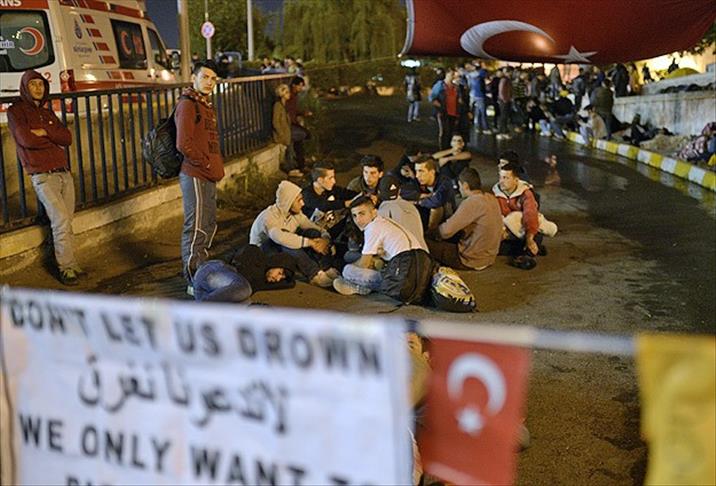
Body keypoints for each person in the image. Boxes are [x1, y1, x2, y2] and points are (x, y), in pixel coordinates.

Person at [7, 70, 81, 285]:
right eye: (33, 84)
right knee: (60, 220)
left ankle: (72, 263)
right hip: (42, 175)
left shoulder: (48, 113)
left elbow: (66, 138)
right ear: (25, 87)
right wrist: (51, 137)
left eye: (41, 84)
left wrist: (46, 132)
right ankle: (66, 268)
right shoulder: (16, 111)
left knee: (67, 220)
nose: (38, 88)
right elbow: (26, 139)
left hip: (63, 171)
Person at [176, 60, 224, 289]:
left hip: (208, 174)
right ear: (193, 78)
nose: (209, 82)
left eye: (213, 78)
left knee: (208, 224)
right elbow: (183, 144)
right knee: (195, 227)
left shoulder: (205, 105)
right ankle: (193, 279)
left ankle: (202, 272)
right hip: (195, 173)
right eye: (205, 77)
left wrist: (214, 167)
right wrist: (205, 164)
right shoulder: (188, 105)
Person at [332, 196, 432, 297]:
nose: (358, 220)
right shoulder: (383, 221)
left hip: (402, 280)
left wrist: (351, 268)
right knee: (350, 256)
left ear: (374, 213)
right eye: (354, 216)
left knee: (347, 270)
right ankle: (361, 280)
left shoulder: (372, 228)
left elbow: (364, 264)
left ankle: (361, 287)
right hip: (414, 267)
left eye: (362, 214)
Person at [249, 180, 338, 287]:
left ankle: (325, 267)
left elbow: (313, 226)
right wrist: (311, 243)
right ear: (288, 202)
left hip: (282, 249)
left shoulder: (294, 213)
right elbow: (280, 238)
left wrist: (325, 238)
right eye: (299, 200)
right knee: (287, 243)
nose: (303, 203)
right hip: (264, 252)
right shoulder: (268, 217)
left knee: (312, 233)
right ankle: (314, 274)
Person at [426, 168, 502, 271]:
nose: (459, 189)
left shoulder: (472, 202)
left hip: (471, 260)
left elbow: (445, 232)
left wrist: (431, 232)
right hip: (489, 257)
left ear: (465, 185)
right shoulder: (491, 198)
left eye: (460, 185)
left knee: (425, 243)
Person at [492, 162, 558, 263]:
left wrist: (529, 239)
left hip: (524, 229)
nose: (501, 181)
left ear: (516, 180)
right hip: (506, 231)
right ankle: (531, 250)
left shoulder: (526, 193)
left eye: (506, 178)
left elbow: (530, 215)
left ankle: (529, 251)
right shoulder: (496, 193)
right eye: (500, 177)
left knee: (530, 232)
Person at [191, 244, 297, 302]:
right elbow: (240, 257)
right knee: (245, 289)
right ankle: (201, 308)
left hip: (204, 290)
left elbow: (291, 283)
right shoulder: (256, 255)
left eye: (281, 278)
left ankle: (201, 310)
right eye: (279, 273)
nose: (278, 279)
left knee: (245, 306)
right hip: (211, 271)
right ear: (276, 262)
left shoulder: (263, 282)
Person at [301, 160, 358, 239]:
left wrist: (363, 195)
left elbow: (345, 193)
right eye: (330, 178)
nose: (334, 181)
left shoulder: (330, 189)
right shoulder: (307, 195)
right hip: (312, 234)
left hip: (330, 229)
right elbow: (323, 205)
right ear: (320, 180)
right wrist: (345, 203)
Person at [377, 174, 427, 250]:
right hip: (424, 253)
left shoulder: (382, 213)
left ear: (379, 192)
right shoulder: (412, 207)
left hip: (403, 256)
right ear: (399, 191)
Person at [414, 157, 456, 231]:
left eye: (421, 171)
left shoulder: (445, 182)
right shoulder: (419, 180)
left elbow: (437, 202)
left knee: (436, 209)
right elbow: (403, 191)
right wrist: (421, 196)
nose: (417, 175)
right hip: (424, 213)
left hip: (445, 220)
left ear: (432, 172)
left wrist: (419, 202)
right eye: (416, 171)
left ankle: (431, 233)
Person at [272, 83, 300, 177]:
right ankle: (289, 171)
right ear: (282, 94)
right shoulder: (278, 106)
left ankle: (292, 169)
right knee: (285, 155)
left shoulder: (284, 105)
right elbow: (275, 121)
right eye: (287, 92)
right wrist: (281, 134)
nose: (289, 94)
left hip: (287, 133)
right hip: (282, 135)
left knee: (290, 152)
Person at [286, 76, 311, 173]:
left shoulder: (294, 96)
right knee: (302, 136)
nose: (301, 88)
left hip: (293, 123)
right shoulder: (289, 96)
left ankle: (301, 162)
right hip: (289, 124)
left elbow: (294, 111)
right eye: (299, 86)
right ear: (294, 85)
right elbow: (288, 111)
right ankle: (300, 164)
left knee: (302, 139)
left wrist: (302, 113)